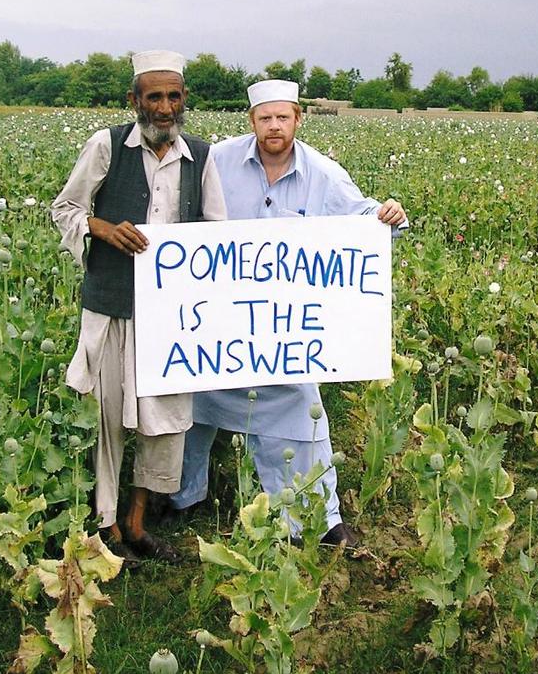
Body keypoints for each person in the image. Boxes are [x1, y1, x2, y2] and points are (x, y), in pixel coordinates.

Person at [168, 78, 407, 546]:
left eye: (282, 117)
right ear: (251, 121)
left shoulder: (323, 172)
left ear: (298, 118)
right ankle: (181, 497)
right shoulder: (217, 160)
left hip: (286, 329)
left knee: (301, 409)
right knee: (192, 401)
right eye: (264, 118)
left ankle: (317, 518)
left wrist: (389, 217)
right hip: (221, 318)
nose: (273, 127)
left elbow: (364, 220)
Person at [51, 50, 225, 564]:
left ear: (184, 101)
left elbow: (218, 231)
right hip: (113, 306)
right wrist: (101, 228)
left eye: (173, 96)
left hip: (173, 317)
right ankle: (104, 526)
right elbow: (65, 207)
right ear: (135, 101)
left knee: (165, 419)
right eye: (154, 96)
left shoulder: (201, 155)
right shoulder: (107, 146)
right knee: (107, 418)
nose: (165, 106)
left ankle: (137, 521)